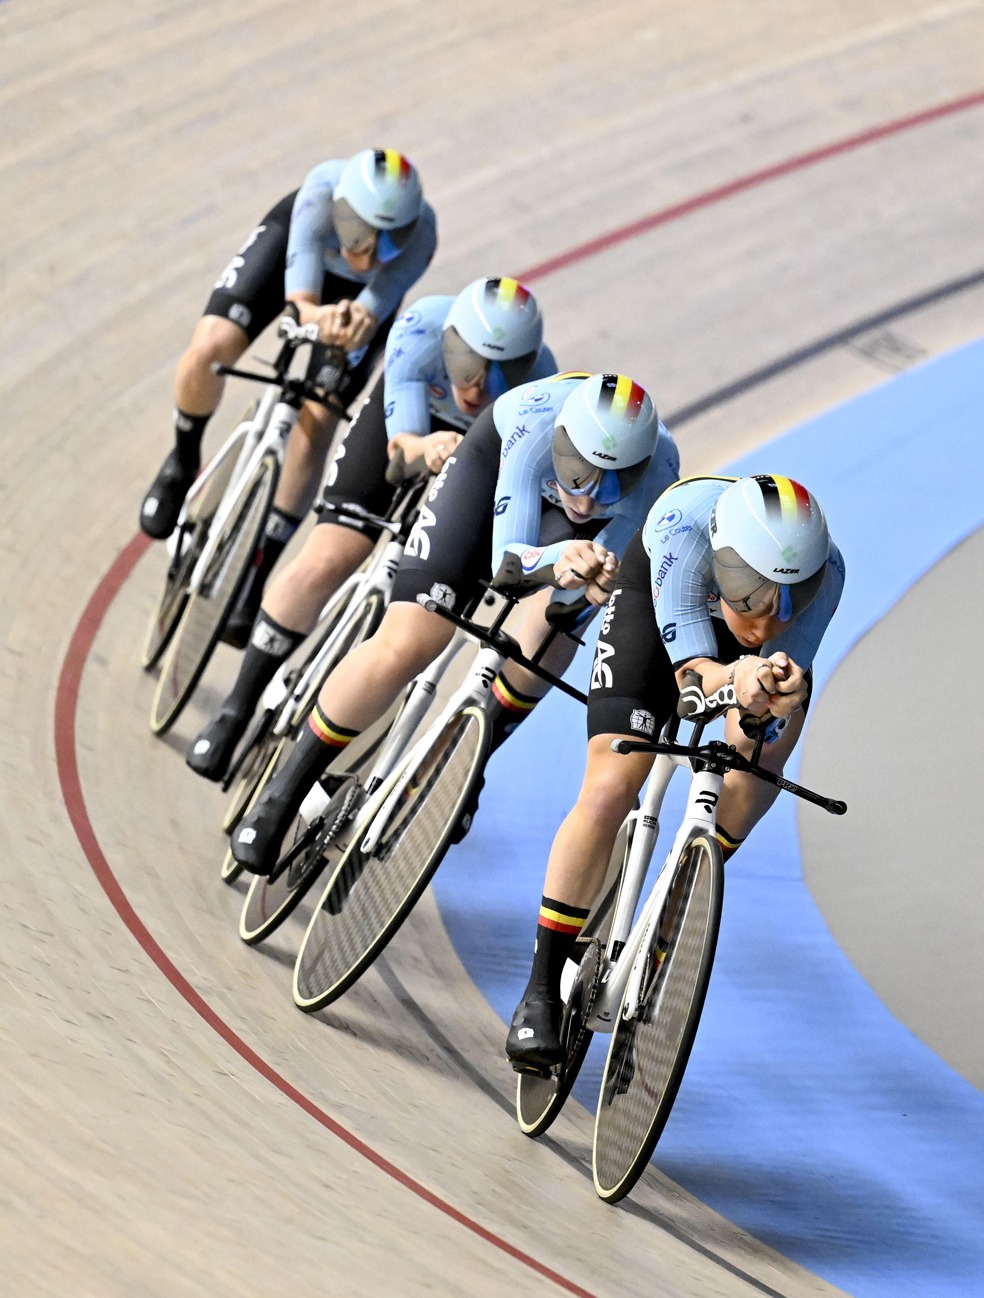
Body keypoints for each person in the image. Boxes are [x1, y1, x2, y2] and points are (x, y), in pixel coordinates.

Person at [229, 371, 682, 875]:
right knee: (408, 641)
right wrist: (558, 560)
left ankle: (476, 750)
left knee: (555, 627)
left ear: (639, 469)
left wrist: (591, 585)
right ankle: (283, 791)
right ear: (561, 440)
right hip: (491, 475)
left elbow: (584, 587)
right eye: (579, 473)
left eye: (614, 482)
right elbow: (507, 565)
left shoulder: (659, 475)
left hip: (583, 532)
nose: (589, 497)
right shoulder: (534, 423)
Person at [504, 472, 847, 1071]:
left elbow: (773, 690)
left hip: (741, 663)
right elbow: (692, 684)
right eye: (755, 596)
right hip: (657, 610)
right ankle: (540, 988)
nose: (770, 620)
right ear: (728, 567)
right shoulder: (681, 533)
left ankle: (675, 902)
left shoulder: (830, 573)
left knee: (757, 765)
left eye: (791, 599)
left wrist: (777, 695)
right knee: (611, 784)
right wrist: (735, 676)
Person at [186, 275, 556, 782]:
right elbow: (400, 450)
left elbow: (514, 488)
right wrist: (421, 448)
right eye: (467, 367)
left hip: (481, 457)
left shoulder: (540, 390)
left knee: (422, 623)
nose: (476, 388)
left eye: (499, 376)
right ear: (448, 343)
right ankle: (236, 708)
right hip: (409, 427)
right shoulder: (421, 328)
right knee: (329, 556)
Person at [139, 148, 437, 643]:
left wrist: (354, 325)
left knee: (319, 418)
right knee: (210, 348)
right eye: (361, 238)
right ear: (344, 214)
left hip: (354, 303)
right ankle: (182, 458)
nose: (369, 257)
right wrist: (314, 317)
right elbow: (299, 302)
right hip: (294, 260)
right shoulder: (321, 194)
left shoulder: (422, 236)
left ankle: (256, 570)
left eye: (389, 244)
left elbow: (374, 306)